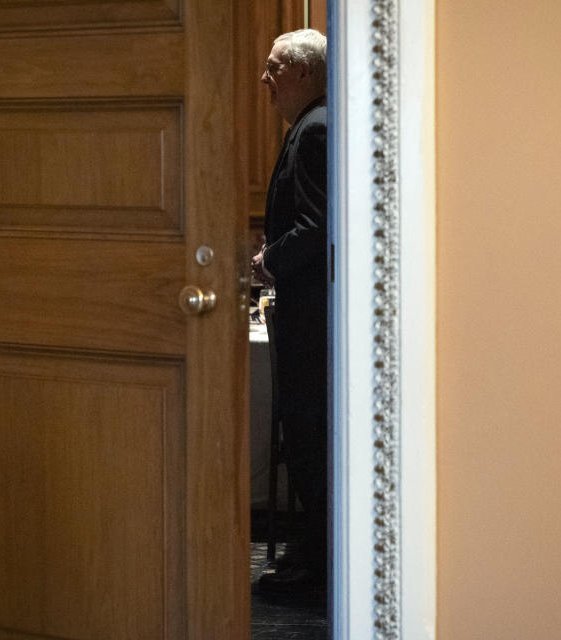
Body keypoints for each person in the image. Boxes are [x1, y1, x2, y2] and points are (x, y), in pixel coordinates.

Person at [251, 28, 328, 592]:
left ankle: (317, 566)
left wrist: (268, 261)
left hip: (310, 322)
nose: (265, 80)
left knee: (308, 439)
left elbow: (316, 227)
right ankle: (312, 555)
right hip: (307, 318)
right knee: (303, 439)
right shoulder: (313, 125)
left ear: (304, 73)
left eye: (275, 68)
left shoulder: (315, 130)